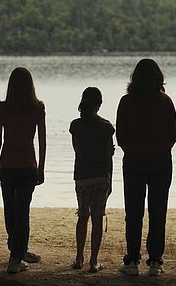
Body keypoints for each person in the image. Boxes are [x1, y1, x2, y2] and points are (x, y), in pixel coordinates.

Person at [116, 58, 176, 276]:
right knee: (157, 211)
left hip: (133, 160)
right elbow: (174, 134)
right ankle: (155, 262)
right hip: (161, 160)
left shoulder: (126, 102)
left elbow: (120, 135)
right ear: (158, 78)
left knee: (133, 211)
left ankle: (132, 261)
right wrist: (161, 147)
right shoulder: (165, 101)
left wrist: (133, 148)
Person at [0, 67, 46, 273]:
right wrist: (41, 167)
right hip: (27, 166)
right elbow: (42, 141)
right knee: (22, 211)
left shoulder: (2, 108)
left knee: (11, 210)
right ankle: (16, 255)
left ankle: (17, 251)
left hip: (6, 165)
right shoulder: (37, 108)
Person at [69, 87, 115, 273]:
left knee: (82, 216)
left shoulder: (75, 126)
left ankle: (79, 257)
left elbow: (78, 151)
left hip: (82, 177)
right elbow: (108, 157)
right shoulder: (106, 127)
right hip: (100, 177)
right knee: (97, 218)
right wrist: (110, 179)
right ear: (99, 104)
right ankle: (93, 261)